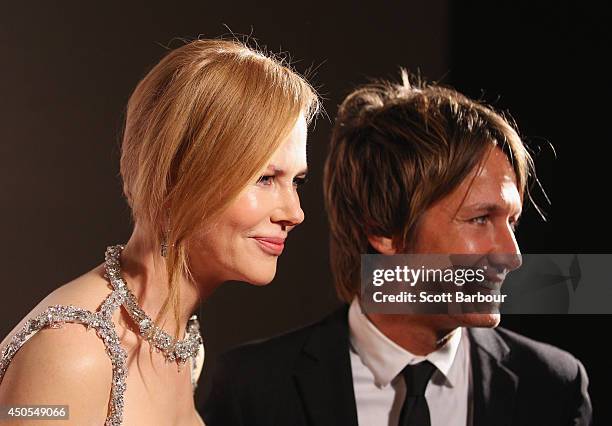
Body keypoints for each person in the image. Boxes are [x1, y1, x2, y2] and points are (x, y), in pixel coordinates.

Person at [203, 72, 592, 426]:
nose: (513, 254)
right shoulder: (250, 391)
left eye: (512, 221)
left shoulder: (553, 387)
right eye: (480, 219)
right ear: (384, 229)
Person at [0, 39, 319, 425]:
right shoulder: (73, 355)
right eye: (265, 178)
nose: (295, 212)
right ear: (177, 178)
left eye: (296, 181)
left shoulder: (181, 344)